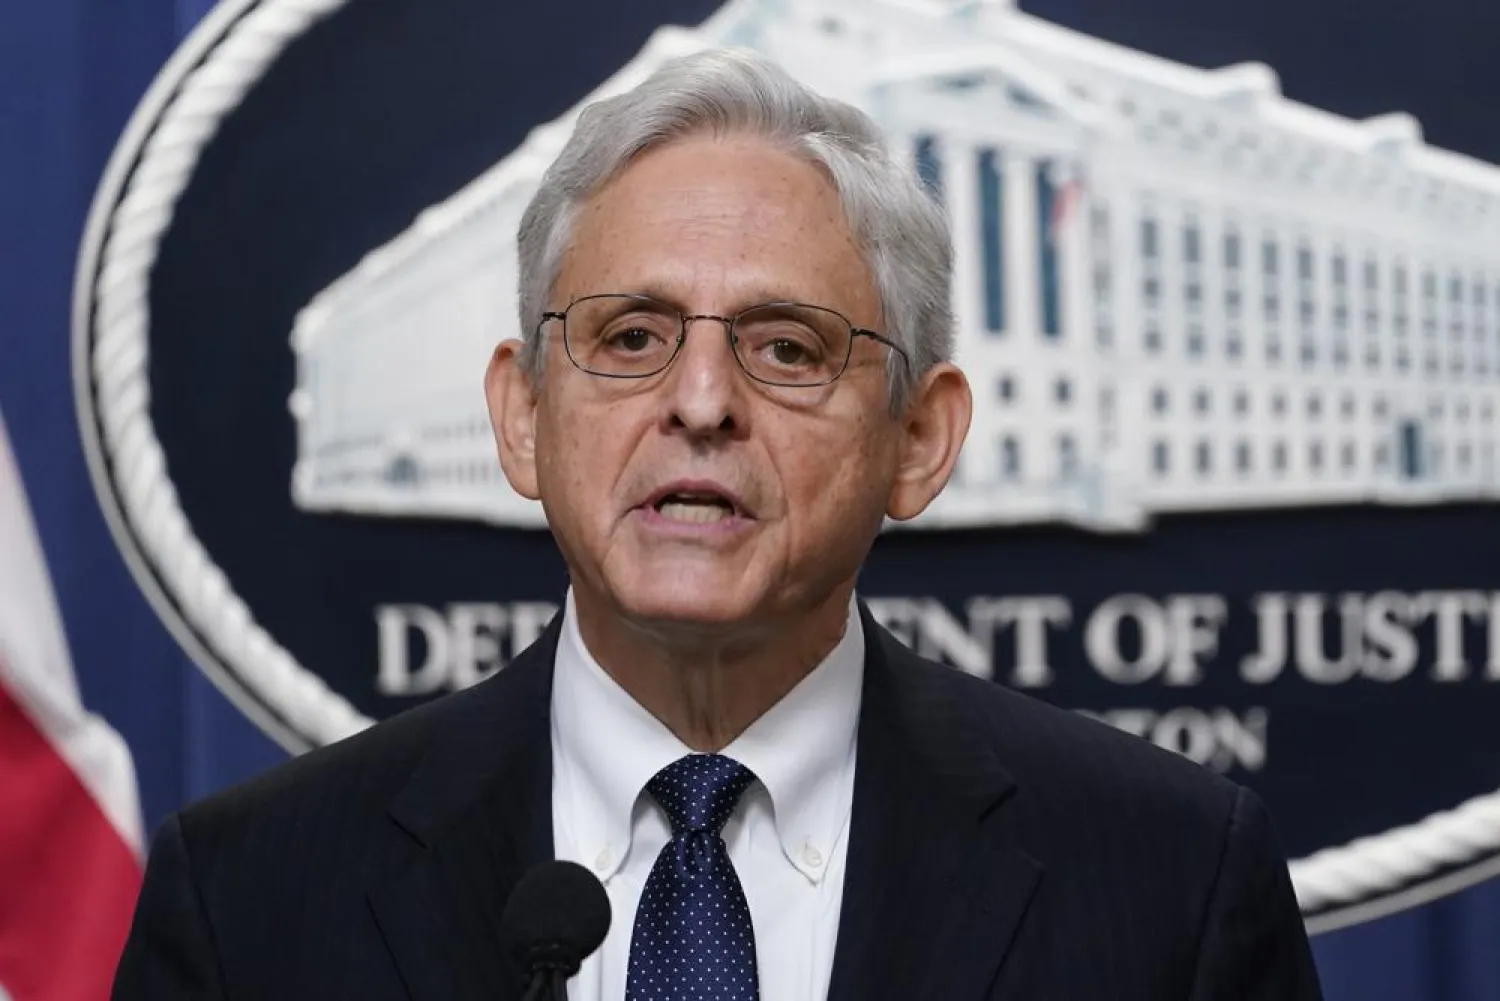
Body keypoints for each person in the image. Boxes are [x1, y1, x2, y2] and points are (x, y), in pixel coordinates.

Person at [113, 48, 1324, 1001]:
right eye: (631, 337)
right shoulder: (253, 898)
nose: (700, 404)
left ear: (920, 439)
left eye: (787, 348)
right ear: (524, 416)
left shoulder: (1170, 878)